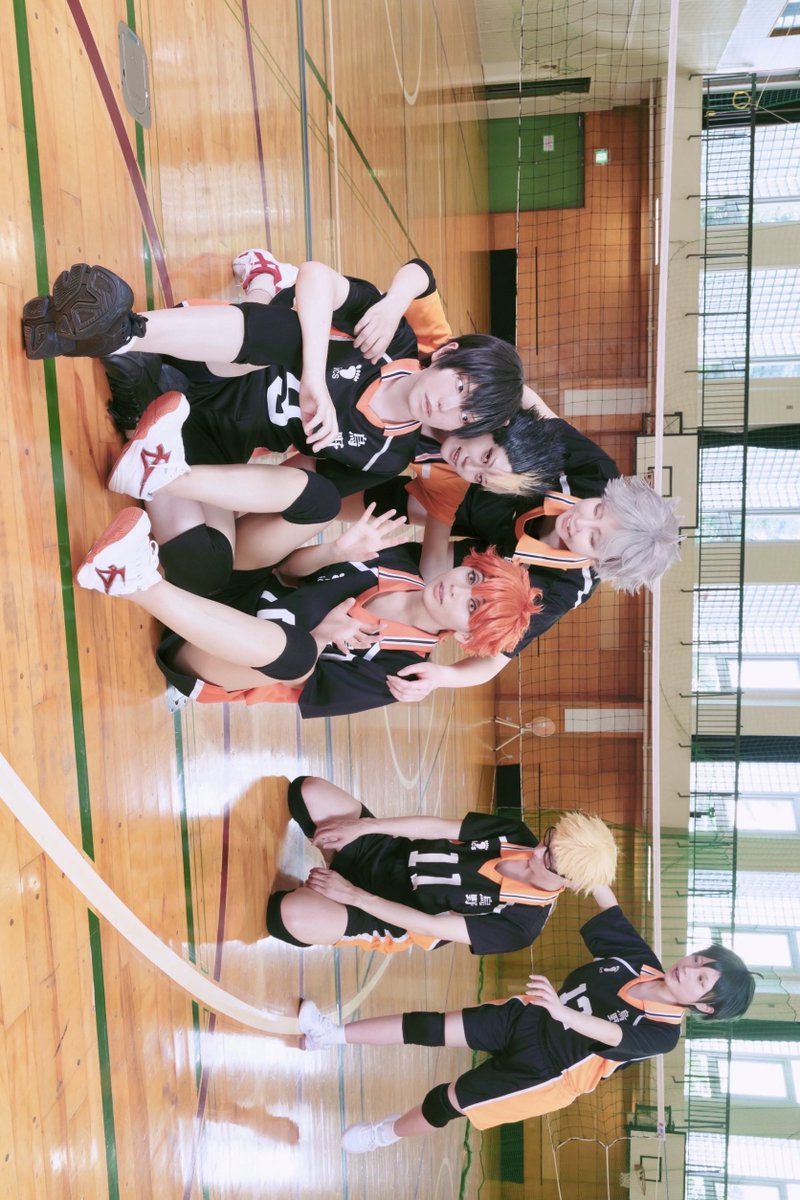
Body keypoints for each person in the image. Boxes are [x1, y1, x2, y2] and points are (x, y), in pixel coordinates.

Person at [74, 444, 541, 716]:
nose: (458, 588)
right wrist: (336, 550)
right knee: (320, 502)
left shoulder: (403, 671)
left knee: (299, 655)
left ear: (464, 635)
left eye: (471, 605)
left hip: (209, 657)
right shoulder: (403, 566)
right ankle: (161, 470)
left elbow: (294, 681)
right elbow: (286, 570)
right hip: (231, 588)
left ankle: (133, 580)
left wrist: (320, 637)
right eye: (472, 576)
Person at [297, 885, 756, 1153]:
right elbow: (608, 905)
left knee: (448, 1101)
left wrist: (561, 1011)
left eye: (701, 979)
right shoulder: (641, 963)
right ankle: (328, 1035)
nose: (689, 969)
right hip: (531, 1017)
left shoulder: (663, 1035)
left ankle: (383, 1134)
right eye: (698, 960)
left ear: (705, 1007)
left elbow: (611, 1033)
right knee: (430, 1026)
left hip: (546, 1072)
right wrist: (587, 856)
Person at [22, 260, 526, 497]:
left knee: (210, 560)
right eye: (460, 388)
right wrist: (315, 378)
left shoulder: (390, 457)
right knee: (295, 334)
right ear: (448, 355)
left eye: (466, 415)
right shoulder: (390, 339)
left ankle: (131, 387)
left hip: (219, 435)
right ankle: (126, 335)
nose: (448, 407)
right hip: (217, 360)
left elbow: (300, 482)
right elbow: (319, 276)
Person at [266, 775, 618, 955]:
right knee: (308, 790)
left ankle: (329, 902)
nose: (537, 851)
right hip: (386, 854)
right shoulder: (515, 835)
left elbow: (427, 925)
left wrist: (352, 895)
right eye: (549, 839)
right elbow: (436, 827)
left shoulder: (520, 926)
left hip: (385, 915)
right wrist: (364, 827)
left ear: (569, 883)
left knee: (289, 916)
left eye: (549, 858)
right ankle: (335, 860)